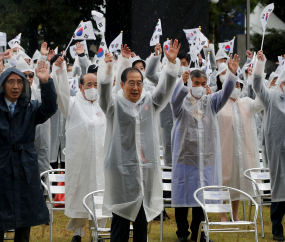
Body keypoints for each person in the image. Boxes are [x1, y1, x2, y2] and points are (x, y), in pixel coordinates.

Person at [98, 39, 181, 242]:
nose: (135, 88)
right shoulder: (114, 105)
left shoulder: (149, 103)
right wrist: (108, 70)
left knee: (141, 223)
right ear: (122, 84)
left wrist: (170, 65)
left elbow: (164, 91)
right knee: (120, 220)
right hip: (121, 171)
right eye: (131, 83)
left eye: (139, 83)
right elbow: (103, 95)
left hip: (146, 170)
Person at [170, 54, 240, 242]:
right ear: (190, 83)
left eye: (203, 83)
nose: (200, 86)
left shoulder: (211, 102)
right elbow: (173, 101)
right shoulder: (181, 103)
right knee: (183, 200)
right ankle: (182, 234)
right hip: (186, 159)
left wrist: (231, 74)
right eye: (196, 83)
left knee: (202, 200)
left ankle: (199, 233)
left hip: (206, 159)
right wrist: (181, 84)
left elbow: (226, 93)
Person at [0, 60, 57, 242]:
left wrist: (46, 82)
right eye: (10, 81)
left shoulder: (30, 107)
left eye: (19, 82)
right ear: (2, 85)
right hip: (2, 166)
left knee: (24, 216)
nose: (15, 86)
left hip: (25, 167)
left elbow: (49, 109)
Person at [51, 56, 106, 242]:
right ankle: (77, 232)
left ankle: (97, 231)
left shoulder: (104, 105)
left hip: (100, 160)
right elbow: (62, 94)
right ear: (80, 87)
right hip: (80, 161)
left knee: (100, 194)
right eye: (88, 84)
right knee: (80, 194)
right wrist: (59, 72)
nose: (92, 88)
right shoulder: (72, 105)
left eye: (95, 84)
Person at [216, 79, 264, 221]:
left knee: (238, 181)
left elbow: (261, 104)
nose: (237, 88)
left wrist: (257, 82)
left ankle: (235, 214)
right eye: (234, 85)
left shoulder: (247, 102)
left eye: (239, 85)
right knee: (224, 181)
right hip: (225, 150)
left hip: (242, 150)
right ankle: (223, 214)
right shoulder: (220, 102)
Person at [253, 50, 285, 242]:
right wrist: (259, 64)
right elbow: (257, 86)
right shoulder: (272, 97)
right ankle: (277, 227)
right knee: (280, 188)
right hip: (277, 151)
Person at [15, 57, 51, 176]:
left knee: (40, 175)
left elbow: (50, 106)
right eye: (24, 75)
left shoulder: (39, 94)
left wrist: (46, 82)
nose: (28, 78)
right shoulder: (10, 98)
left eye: (31, 75)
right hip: (19, 147)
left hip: (40, 144)